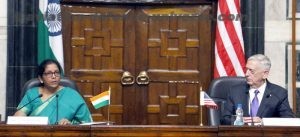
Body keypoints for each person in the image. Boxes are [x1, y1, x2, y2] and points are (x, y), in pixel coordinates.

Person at [221, 54, 294, 125]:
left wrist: (263, 122)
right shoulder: (235, 91)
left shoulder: (279, 93)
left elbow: (288, 119)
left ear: (265, 74)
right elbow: (224, 119)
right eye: (246, 69)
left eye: (251, 71)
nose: (246, 74)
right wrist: (239, 121)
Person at [14, 59, 93, 125]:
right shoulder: (32, 94)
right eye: (49, 73)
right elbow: (19, 116)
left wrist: (70, 124)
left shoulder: (72, 95)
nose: (54, 76)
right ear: (41, 78)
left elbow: (86, 123)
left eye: (56, 72)